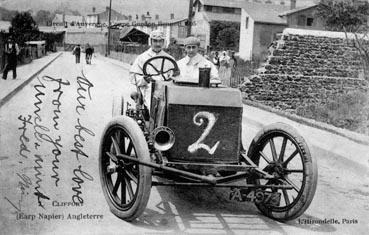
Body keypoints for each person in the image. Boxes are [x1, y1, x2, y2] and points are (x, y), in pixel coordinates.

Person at [130, 30, 175, 108]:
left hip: (166, 88)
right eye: (155, 41)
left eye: (160, 41)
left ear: (164, 42)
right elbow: (134, 77)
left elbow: (175, 75)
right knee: (154, 102)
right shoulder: (141, 58)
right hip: (149, 87)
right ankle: (153, 118)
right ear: (150, 41)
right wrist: (144, 79)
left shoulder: (169, 59)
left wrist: (170, 77)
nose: (158, 44)